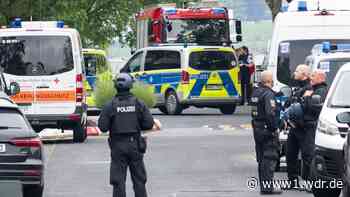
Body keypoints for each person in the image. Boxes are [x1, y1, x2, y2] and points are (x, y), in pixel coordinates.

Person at [98, 73, 161, 197]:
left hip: (117, 147)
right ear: (131, 85)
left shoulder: (109, 106)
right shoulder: (139, 104)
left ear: (115, 86)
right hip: (135, 146)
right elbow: (148, 124)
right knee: (139, 180)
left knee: (118, 181)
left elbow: (103, 127)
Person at [250, 70, 282, 195]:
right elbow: (270, 114)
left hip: (257, 129)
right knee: (269, 158)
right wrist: (275, 127)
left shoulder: (255, 93)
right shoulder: (268, 94)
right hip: (267, 130)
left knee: (262, 158)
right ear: (269, 81)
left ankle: (264, 186)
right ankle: (268, 188)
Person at [285, 64, 313, 188]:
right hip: (293, 126)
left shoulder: (309, 88)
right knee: (290, 153)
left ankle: (309, 182)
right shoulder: (297, 87)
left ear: (304, 74)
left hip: (304, 127)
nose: (294, 73)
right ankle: (292, 181)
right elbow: (290, 103)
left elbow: (306, 107)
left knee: (307, 155)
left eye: (297, 71)